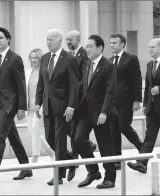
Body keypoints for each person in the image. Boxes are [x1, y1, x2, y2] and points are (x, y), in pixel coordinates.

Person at [0, 27, 32, 183]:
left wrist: (22, 107)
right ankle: (26, 167)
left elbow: (21, 84)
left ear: (8, 40)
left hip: (10, 105)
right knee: (13, 137)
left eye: (1, 38)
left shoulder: (15, 59)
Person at [127, 38, 160, 173]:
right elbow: (148, 87)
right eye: (149, 47)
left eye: (153, 47)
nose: (150, 49)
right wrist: (145, 104)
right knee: (149, 136)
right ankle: (142, 163)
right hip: (152, 107)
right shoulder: (150, 64)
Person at [35, 29, 79, 185]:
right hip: (47, 106)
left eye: (51, 39)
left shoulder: (69, 59)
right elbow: (41, 82)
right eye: (47, 39)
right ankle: (71, 160)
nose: (48, 42)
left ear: (60, 41)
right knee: (50, 139)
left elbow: (74, 86)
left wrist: (71, 106)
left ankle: (59, 174)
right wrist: (37, 102)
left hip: (62, 106)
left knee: (60, 140)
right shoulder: (45, 58)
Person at [73, 34, 116, 189]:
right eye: (86, 46)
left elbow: (110, 91)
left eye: (90, 46)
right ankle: (93, 171)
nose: (87, 49)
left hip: (100, 112)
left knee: (105, 145)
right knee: (78, 141)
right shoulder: (86, 64)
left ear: (100, 48)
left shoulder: (108, 65)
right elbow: (81, 88)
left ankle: (110, 178)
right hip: (84, 111)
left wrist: (104, 112)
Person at [108, 33, 143, 170]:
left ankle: (142, 148)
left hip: (127, 101)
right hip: (112, 103)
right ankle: (117, 160)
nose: (112, 45)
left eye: (114, 43)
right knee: (113, 131)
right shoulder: (109, 60)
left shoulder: (131, 59)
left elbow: (137, 81)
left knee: (124, 127)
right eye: (110, 43)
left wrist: (137, 100)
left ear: (122, 44)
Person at [66, 30, 97, 181]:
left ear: (78, 39)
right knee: (72, 133)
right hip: (71, 100)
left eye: (70, 39)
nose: (68, 42)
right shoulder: (69, 55)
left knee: (75, 135)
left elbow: (83, 78)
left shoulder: (84, 55)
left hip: (81, 101)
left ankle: (74, 165)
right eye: (66, 39)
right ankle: (87, 146)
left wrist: (75, 93)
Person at [25, 48, 55, 163]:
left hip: (41, 104)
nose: (33, 60)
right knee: (32, 131)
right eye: (31, 58)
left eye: (35, 58)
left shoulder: (45, 71)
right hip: (29, 105)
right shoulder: (27, 72)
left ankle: (35, 157)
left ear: (40, 58)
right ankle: (51, 153)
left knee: (34, 128)